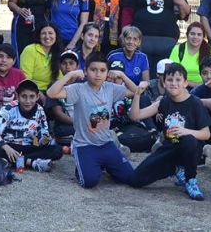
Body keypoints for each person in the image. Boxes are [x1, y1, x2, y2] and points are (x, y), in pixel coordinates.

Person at [46, 53, 143, 189]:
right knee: (89, 182)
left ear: (107, 73)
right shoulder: (78, 89)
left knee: (129, 177)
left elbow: (136, 91)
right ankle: (85, 166)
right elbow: (51, 93)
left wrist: (123, 76)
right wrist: (70, 75)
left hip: (106, 143)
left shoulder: (110, 88)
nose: (98, 74)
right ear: (86, 71)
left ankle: (105, 164)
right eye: (93, 70)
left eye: (102, 70)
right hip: (84, 145)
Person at [128, 63, 211, 200]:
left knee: (189, 140)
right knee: (135, 180)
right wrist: (137, 94)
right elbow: (135, 116)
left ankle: (190, 179)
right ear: (164, 83)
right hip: (169, 148)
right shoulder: (164, 102)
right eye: (170, 80)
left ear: (185, 83)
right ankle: (176, 168)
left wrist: (185, 131)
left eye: (178, 80)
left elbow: (206, 134)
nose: (174, 83)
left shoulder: (195, 103)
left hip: (189, 149)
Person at [126, 0, 190, 78]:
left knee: (163, 73)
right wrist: (125, 29)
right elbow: (127, 11)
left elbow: (185, 15)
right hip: (142, 39)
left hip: (167, 39)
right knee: (143, 71)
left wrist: (182, 2)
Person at [0, 79, 63, 172]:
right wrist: (5, 146)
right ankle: (32, 163)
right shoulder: (8, 109)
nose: (28, 101)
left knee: (57, 150)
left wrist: (45, 139)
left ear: (37, 97)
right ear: (17, 96)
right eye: (24, 96)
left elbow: (43, 133)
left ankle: (11, 161)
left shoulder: (40, 110)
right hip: (10, 146)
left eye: (32, 97)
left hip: (28, 146)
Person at [45, 50, 80, 146]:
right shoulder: (54, 86)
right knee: (61, 131)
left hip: (85, 121)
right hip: (67, 125)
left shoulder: (85, 83)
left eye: (71, 63)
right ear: (60, 67)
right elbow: (58, 113)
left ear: (77, 66)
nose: (68, 66)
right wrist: (79, 123)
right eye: (64, 63)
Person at [168, 22, 211, 87]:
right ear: (187, 35)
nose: (195, 37)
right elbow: (173, 71)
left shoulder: (210, 50)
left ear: (203, 37)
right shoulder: (179, 49)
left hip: (206, 86)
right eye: (192, 34)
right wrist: (193, 84)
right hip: (183, 87)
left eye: (199, 34)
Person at [19, 23, 61, 97]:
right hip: (32, 91)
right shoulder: (30, 50)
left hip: (52, 91)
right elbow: (26, 78)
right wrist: (41, 96)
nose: (47, 37)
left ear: (56, 36)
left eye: (50, 33)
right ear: (39, 36)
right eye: (43, 33)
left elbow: (60, 79)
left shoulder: (58, 52)